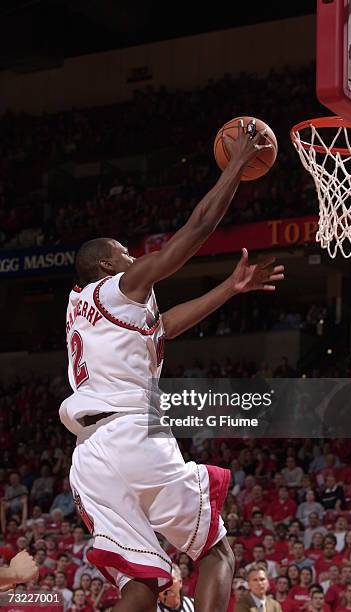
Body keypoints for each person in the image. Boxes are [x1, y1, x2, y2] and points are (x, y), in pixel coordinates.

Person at [59, 121, 283, 612]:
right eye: (124, 252)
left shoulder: (85, 306)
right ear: (104, 265)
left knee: (139, 585)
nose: (134, 257)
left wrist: (228, 288)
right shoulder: (120, 286)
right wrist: (239, 165)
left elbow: (165, 327)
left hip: (91, 456)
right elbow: (197, 229)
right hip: (135, 434)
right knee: (216, 550)